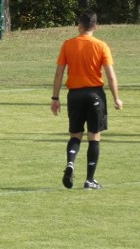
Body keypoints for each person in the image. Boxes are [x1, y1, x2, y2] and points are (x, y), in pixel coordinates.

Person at [52, 10, 122, 190]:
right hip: (95, 95)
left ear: (79, 25)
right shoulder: (101, 46)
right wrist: (116, 98)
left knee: (75, 134)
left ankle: (70, 163)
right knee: (94, 136)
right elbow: (111, 76)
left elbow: (59, 73)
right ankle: (90, 180)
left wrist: (55, 98)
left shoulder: (68, 45)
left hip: (74, 95)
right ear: (95, 26)